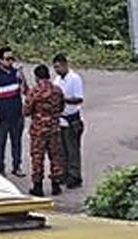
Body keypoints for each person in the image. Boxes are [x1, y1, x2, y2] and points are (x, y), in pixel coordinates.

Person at [0, 46, 25, 178]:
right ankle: (1, 167)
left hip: (17, 115)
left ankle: (16, 166)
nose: (11, 62)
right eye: (7, 59)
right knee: (0, 143)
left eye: (12, 59)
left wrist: (22, 77)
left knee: (17, 142)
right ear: (0, 60)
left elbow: (25, 91)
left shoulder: (16, 74)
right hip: (2, 116)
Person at [26, 63, 64, 196]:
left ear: (37, 77)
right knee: (55, 156)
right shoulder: (57, 90)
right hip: (54, 128)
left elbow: (26, 111)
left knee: (37, 157)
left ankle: (38, 186)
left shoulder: (34, 92)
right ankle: (56, 185)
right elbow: (61, 108)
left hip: (38, 130)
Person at [52, 53, 85, 188]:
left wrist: (63, 99)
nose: (57, 70)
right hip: (61, 118)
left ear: (65, 65)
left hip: (72, 118)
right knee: (62, 149)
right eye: (55, 68)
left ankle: (75, 175)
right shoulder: (57, 80)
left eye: (58, 67)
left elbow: (79, 99)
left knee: (73, 149)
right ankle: (65, 174)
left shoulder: (74, 78)